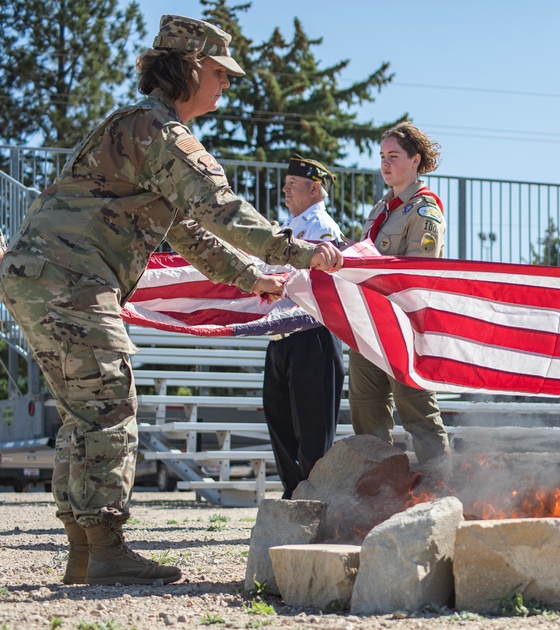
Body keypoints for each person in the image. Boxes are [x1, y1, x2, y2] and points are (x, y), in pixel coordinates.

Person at [0, 14, 343, 586]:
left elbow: (191, 234)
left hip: (43, 276)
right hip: (71, 278)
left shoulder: (141, 129)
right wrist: (298, 251)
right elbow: (222, 210)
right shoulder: (160, 131)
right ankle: (105, 550)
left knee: (85, 413)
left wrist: (253, 280)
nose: (226, 84)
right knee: (109, 406)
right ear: (188, 68)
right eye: (218, 72)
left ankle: (86, 552)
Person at [349, 122, 451, 464]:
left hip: (401, 324)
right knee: (366, 415)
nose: (385, 163)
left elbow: (415, 274)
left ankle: (440, 490)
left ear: (415, 160)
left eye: (393, 155)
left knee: (417, 413)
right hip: (367, 322)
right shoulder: (381, 209)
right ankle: (375, 494)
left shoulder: (424, 210)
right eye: (381, 156)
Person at [263, 155, 348, 499]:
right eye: (285, 183)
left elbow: (321, 279)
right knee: (280, 422)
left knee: (312, 431)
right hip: (280, 335)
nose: (285, 189)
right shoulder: (290, 225)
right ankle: (294, 495)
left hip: (312, 334)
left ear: (315, 189)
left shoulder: (322, 228)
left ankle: (314, 499)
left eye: (292, 184)